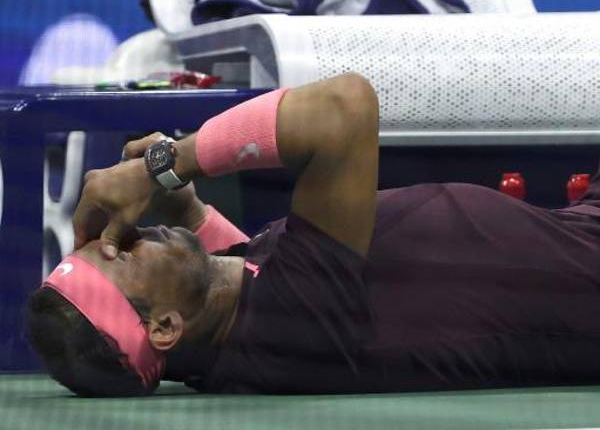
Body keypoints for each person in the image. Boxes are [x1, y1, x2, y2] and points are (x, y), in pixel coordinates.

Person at [27, 73, 600, 397]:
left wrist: (185, 205)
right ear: (164, 327)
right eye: (124, 252)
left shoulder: (243, 328)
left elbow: (246, 264)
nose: (133, 231)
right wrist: (164, 165)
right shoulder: (291, 326)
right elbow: (343, 108)